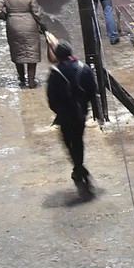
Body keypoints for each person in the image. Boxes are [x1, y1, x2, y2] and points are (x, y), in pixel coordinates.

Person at [46, 41, 97, 188]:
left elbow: (51, 98)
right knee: (78, 140)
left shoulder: (55, 73)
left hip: (64, 114)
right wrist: (84, 107)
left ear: (57, 56)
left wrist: (59, 111)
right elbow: (92, 91)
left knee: (68, 142)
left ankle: (78, 167)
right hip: (80, 113)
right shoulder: (84, 68)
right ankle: (79, 167)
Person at [0, 0, 47, 88]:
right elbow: (36, 12)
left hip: (13, 25)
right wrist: (42, 25)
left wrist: (5, 17)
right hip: (29, 24)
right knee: (32, 52)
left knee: (18, 52)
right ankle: (31, 81)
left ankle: (22, 79)